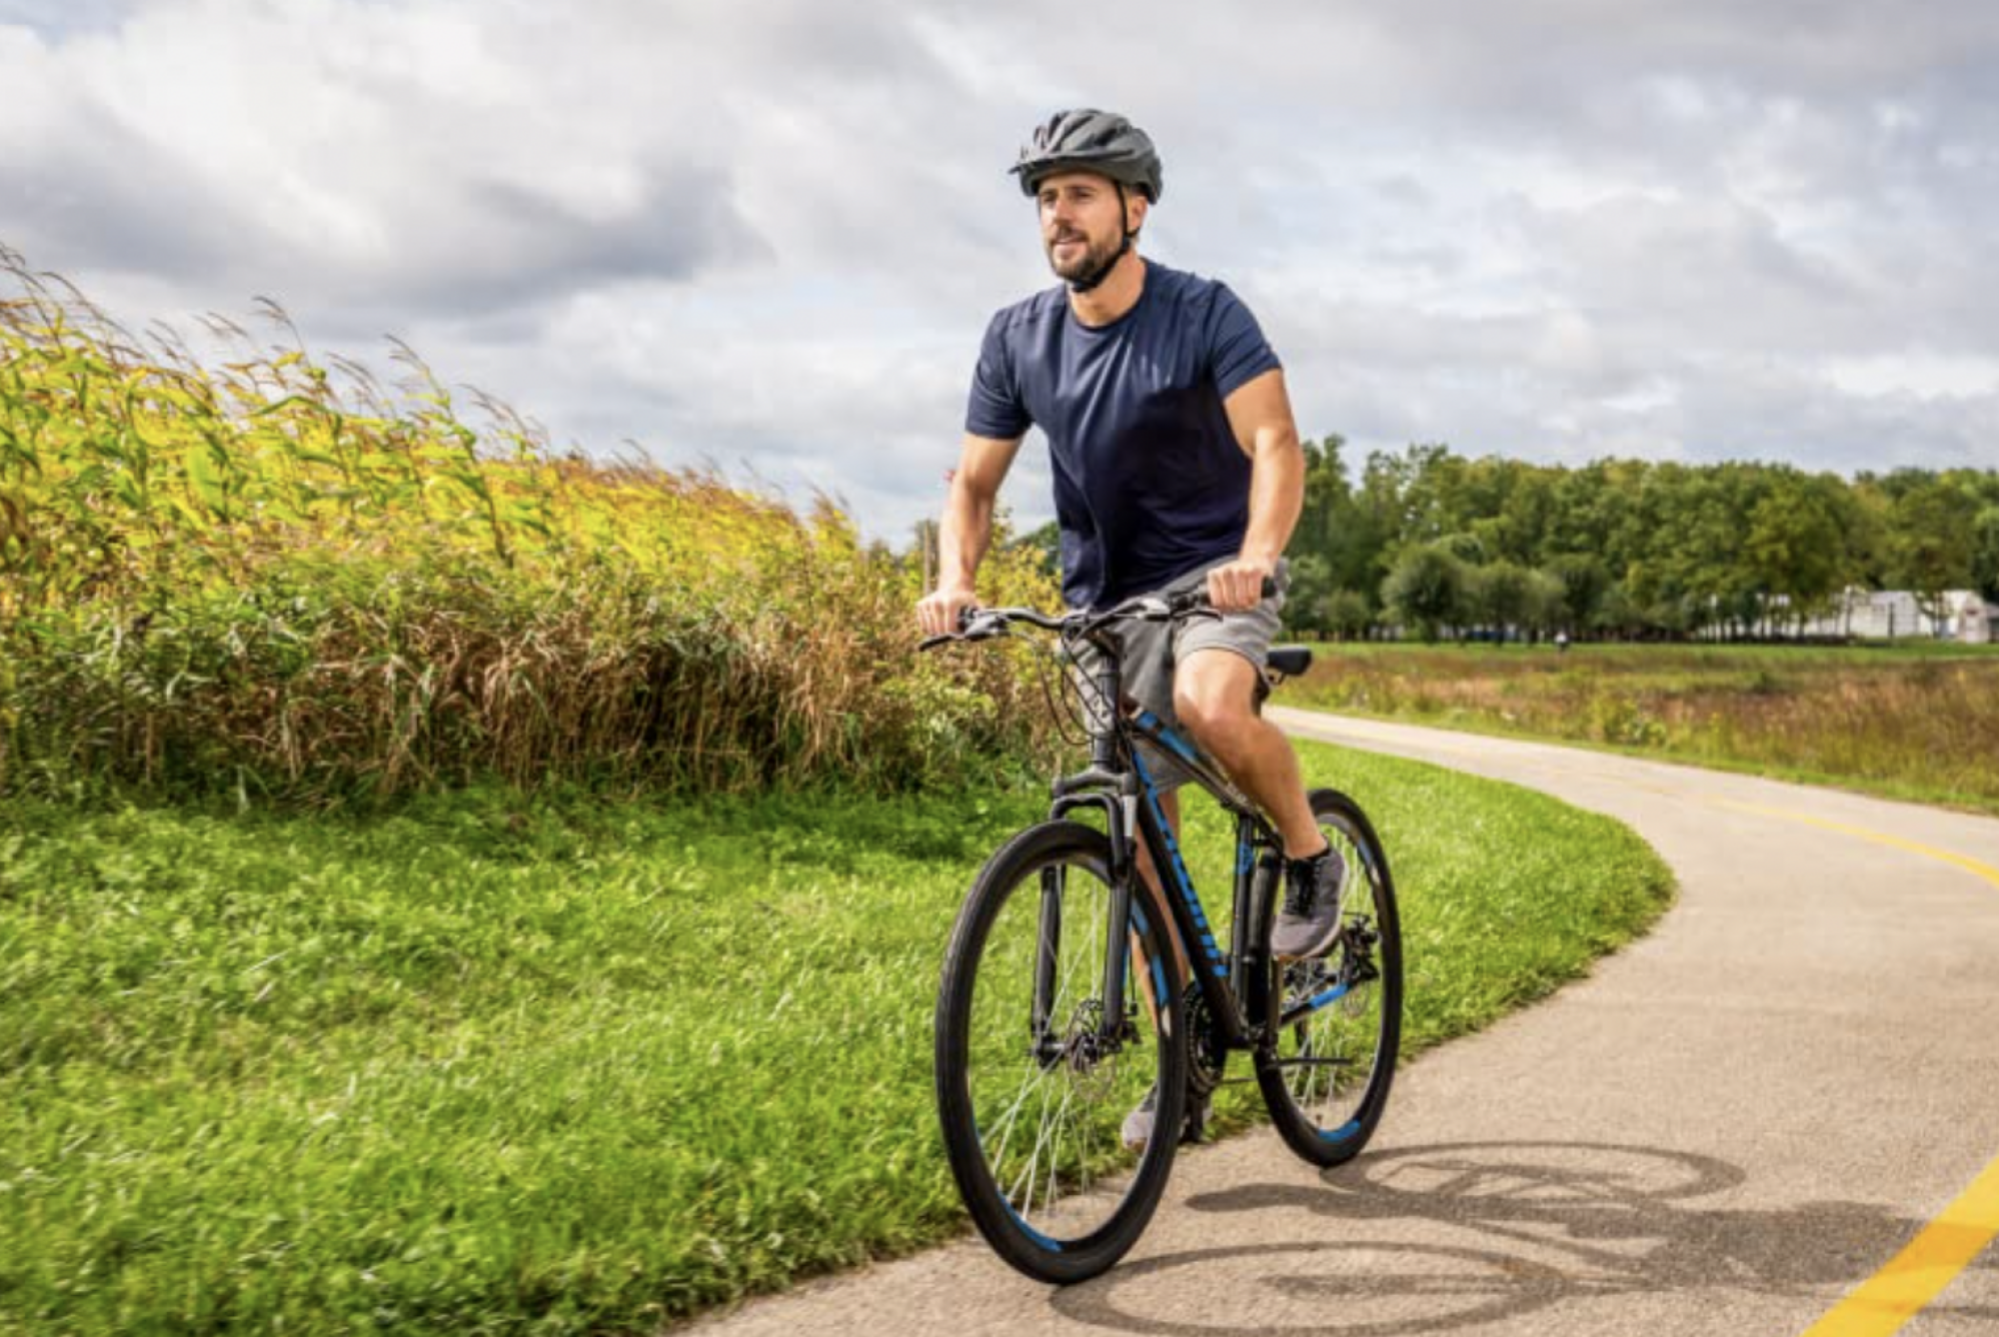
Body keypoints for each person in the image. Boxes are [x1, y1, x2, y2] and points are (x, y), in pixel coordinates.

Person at [915, 109, 1347, 1145]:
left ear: (1133, 207)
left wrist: (1255, 554)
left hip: (1211, 581)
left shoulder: (1203, 313)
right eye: (1044, 197)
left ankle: (1308, 853)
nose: (1057, 214)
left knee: (1207, 705)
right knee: (1136, 837)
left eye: (1078, 192)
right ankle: (1184, 1047)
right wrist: (954, 578)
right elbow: (972, 481)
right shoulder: (1017, 336)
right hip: (1099, 605)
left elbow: (1276, 440)